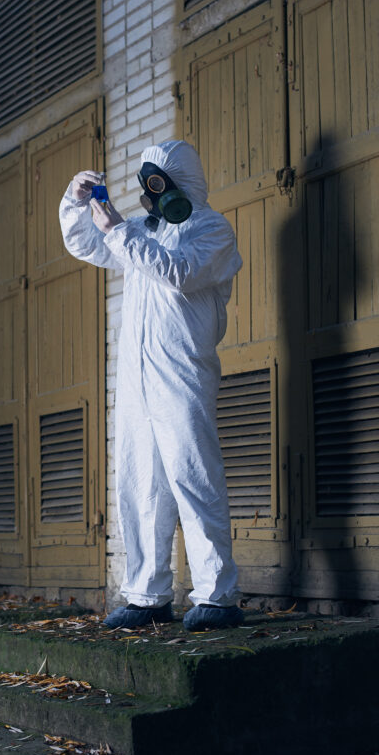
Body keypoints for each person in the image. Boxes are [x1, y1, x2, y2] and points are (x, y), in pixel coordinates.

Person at [59, 139, 244, 631]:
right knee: (142, 482)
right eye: (149, 182)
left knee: (193, 476)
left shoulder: (211, 229)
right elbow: (85, 244)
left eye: (161, 182)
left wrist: (120, 229)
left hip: (182, 369)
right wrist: (77, 202)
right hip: (136, 374)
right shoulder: (142, 230)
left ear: (185, 183)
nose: (152, 192)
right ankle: (147, 596)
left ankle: (217, 596)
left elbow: (179, 273)